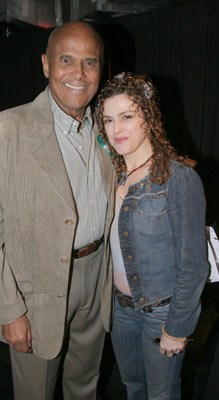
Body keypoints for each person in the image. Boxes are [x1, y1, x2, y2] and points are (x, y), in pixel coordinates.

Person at [0, 21, 115, 400]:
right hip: (36, 293)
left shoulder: (111, 128)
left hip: (97, 277)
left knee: (86, 385)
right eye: (67, 60)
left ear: (102, 70)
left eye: (90, 62)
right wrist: (9, 313)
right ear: (46, 64)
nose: (78, 74)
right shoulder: (5, 131)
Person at [97, 72, 209, 400]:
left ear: (149, 116)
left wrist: (178, 327)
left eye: (127, 117)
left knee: (161, 395)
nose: (116, 129)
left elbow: (193, 266)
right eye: (108, 120)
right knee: (133, 388)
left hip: (161, 312)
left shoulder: (179, 179)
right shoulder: (112, 175)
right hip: (121, 311)